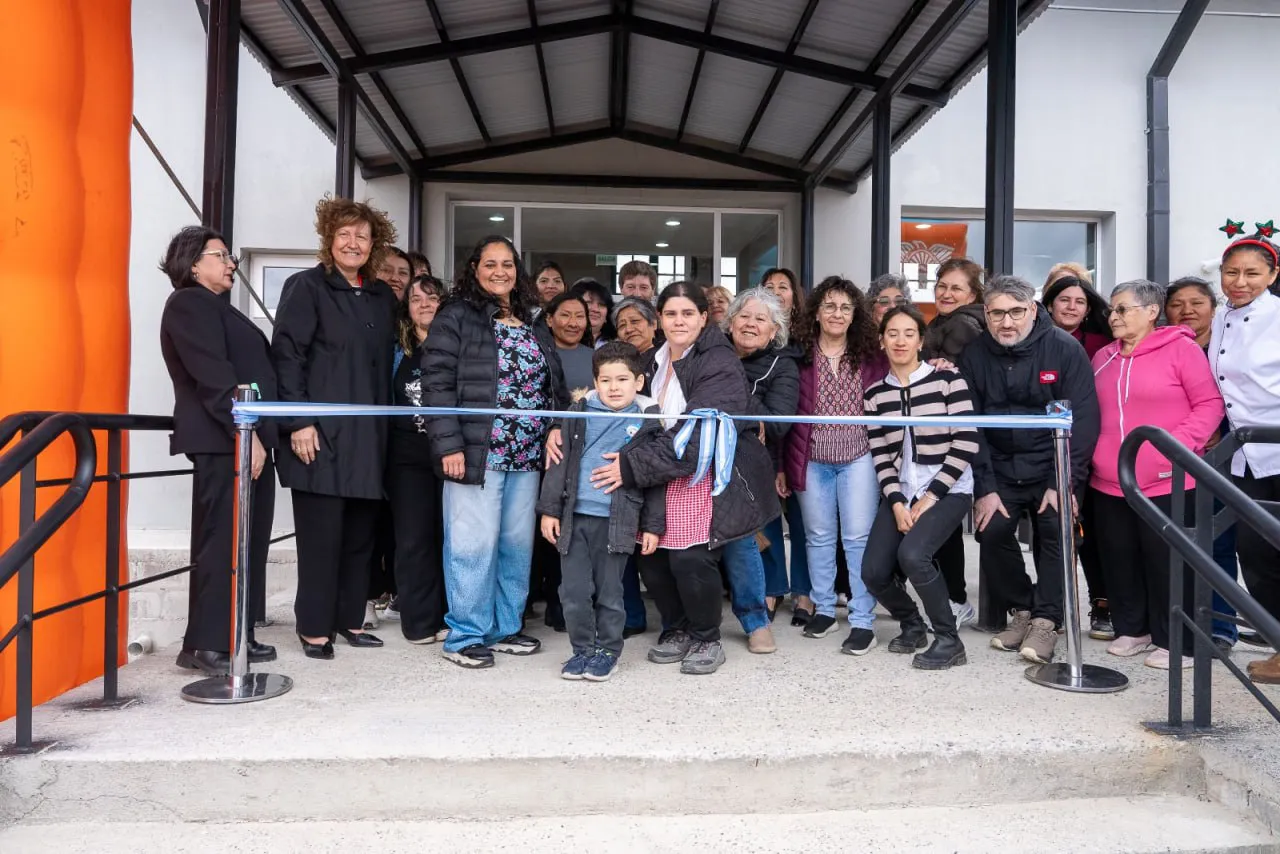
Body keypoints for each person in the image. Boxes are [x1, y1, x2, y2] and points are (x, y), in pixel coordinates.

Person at [592, 282, 778, 675]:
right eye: (671, 314)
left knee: (691, 559)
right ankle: (675, 628)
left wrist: (630, 467)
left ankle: (706, 636)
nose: (679, 321)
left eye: (687, 313)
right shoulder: (652, 360)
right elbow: (613, 396)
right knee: (653, 560)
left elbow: (694, 444)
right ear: (659, 319)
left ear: (703, 317)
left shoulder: (719, 361)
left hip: (699, 475)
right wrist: (563, 426)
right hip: (659, 474)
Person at [423, 235, 567, 669]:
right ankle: (465, 633)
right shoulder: (456, 316)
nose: (499, 271)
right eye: (490, 264)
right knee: (472, 544)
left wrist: (554, 426)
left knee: (514, 545)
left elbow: (553, 381)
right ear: (474, 268)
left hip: (526, 453)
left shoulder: (531, 319)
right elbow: (437, 382)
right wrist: (448, 444)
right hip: (475, 452)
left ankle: (504, 627)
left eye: (507, 264)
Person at [272, 197, 398, 659]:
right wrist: (298, 421)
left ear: (373, 244)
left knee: (359, 538)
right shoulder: (305, 287)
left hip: (368, 438)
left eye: (362, 236)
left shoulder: (383, 296)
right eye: (344, 234)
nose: (353, 243)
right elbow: (287, 356)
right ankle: (314, 627)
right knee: (321, 538)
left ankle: (349, 619)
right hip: (319, 435)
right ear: (329, 239)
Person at [960, 275, 1100, 665]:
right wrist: (985, 486)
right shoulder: (974, 355)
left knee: (1057, 536)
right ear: (985, 315)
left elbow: (1085, 420)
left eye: (1016, 312)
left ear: (1033, 310)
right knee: (992, 533)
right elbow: (970, 424)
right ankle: (1023, 611)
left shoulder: (1064, 349)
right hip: (1000, 469)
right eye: (997, 313)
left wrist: (1065, 481)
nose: (1007, 322)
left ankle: (1047, 621)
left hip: (1052, 468)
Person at [158, 226, 278, 675]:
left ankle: (236, 633)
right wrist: (243, 436)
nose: (231, 264)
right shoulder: (189, 303)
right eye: (221, 255)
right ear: (193, 263)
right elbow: (213, 374)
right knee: (221, 541)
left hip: (247, 440)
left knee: (247, 542)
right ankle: (205, 644)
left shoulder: (216, 308)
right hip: (225, 440)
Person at [1088, 280, 1223, 669]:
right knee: (1119, 556)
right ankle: (1134, 629)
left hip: (1168, 479)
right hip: (1110, 480)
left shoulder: (1181, 349)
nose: (1113, 316)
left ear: (1151, 312)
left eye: (1123, 309)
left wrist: (1174, 448)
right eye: (1112, 310)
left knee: (1167, 562)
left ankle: (1178, 641)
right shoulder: (1104, 358)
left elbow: (1210, 404)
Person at [538, 342, 666, 681]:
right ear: (595, 381)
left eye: (622, 379)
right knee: (574, 592)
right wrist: (549, 510)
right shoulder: (578, 413)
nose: (613, 387)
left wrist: (652, 526)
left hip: (617, 521)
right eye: (605, 380)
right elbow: (558, 465)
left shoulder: (648, 422)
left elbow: (654, 480)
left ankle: (608, 650)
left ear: (639, 382)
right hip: (573, 518)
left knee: (611, 592)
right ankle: (582, 650)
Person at [862, 306, 980, 670]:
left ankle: (948, 638)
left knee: (913, 555)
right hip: (902, 488)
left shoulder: (947, 381)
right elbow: (880, 454)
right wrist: (897, 502)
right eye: (892, 333)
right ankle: (912, 623)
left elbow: (965, 442)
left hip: (948, 487)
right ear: (882, 341)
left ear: (920, 340)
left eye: (908, 333)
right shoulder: (875, 395)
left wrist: (931, 497)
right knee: (873, 572)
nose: (900, 341)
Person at [783, 276, 886, 653]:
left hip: (859, 456)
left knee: (858, 539)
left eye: (845, 307)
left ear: (855, 313)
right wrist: (783, 465)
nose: (837, 313)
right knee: (818, 537)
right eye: (829, 306)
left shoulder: (873, 354)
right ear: (816, 312)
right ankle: (824, 607)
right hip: (811, 458)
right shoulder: (798, 354)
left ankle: (862, 619)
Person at [1210, 229, 1280, 684]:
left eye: (1252, 273)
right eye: (1232, 272)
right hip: (1246, 456)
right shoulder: (1221, 317)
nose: (1240, 281)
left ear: (1273, 274)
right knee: (1256, 555)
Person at [1165, 276, 1240, 649]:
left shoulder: (1229, 345)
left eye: (1196, 303)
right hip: (1182, 458)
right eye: (1177, 303)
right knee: (1188, 542)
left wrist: (1217, 428)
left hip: (1230, 456)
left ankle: (1223, 628)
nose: (1187, 311)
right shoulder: (1165, 347)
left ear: (1214, 307)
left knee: (1222, 542)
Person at [725, 287, 798, 632]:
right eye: (745, 316)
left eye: (761, 319)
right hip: (712, 455)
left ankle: (770, 591)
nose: (751, 324)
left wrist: (732, 385)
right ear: (731, 320)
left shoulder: (782, 366)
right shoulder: (716, 352)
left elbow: (779, 422)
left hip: (757, 461)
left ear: (774, 330)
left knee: (761, 530)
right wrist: (756, 419)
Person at [921, 258, 986, 626]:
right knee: (945, 527)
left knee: (944, 526)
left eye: (956, 287)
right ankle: (951, 597)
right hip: (945, 432)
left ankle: (956, 600)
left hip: (953, 435)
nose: (946, 293)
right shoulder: (944, 322)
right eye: (942, 286)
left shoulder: (963, 324)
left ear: (972, 294)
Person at [386, 275, 450, 645]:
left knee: (450, 537)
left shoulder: (456, 348)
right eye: (416, 299)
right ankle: (419, 621)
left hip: (449, 454)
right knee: (413, 539)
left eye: (432, 297)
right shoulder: (396, 349)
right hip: (406, 458)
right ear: (407, 309)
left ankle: (448, 614)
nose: (424, 304)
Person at [760, 267, 812, 623]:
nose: (777, 291)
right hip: (768, 439)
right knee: (767, 519)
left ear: (795, 294)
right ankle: (773, 588)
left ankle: (805, 592)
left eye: (784, 286)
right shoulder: (757, 333)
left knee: (804, 521)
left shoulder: (808, 338)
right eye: (769, 287)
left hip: (804, 438)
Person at [1042, 274, 1112, 360]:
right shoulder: (1031, 340)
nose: (1071, 307)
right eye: (1064, 300)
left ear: (1087, 310)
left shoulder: (1102, 346)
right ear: (1050, 306)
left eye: (1079, 302)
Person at [540, 292, 594, 396]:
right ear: (549, 319)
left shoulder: (599, 358)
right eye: (565, 315)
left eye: (579, 316)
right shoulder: (538, 356)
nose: (573, 324)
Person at [571, 278, 616, 347]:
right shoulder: (558, 343)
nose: (595, 309)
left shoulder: (617, 346)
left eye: (601, 304)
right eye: (588, 302)